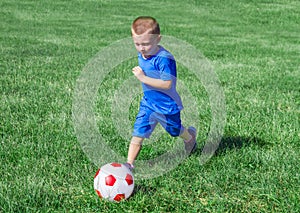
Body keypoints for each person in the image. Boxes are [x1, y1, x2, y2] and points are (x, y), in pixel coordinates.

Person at [124, 16, 197, 171]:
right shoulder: (143, 54)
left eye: (146, 44)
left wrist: (143, 78)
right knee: (138, 133)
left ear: (158, 39)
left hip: (167, 106)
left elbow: (167, 83)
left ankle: (189, 137)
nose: (142, 48)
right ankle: (129, 164)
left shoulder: (164, 59)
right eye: (137, 44)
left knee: (174, 130)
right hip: (148, 104)